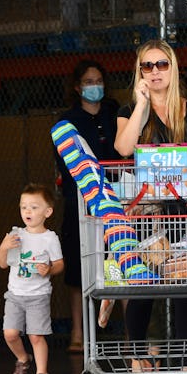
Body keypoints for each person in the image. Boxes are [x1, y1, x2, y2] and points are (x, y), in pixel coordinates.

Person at [115, 39, 187, 374]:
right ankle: (137, 359)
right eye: (148, 66)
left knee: (185, 287)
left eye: (162, 64)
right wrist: (142, 107)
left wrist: (184, 166)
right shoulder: (129, 109)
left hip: (182, 213)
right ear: (139, 72)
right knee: (142, 286)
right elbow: (123, 148)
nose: (155, 72)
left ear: (173, 68)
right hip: (146, 216)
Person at [55, 59, 121, 353]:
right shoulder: (67, 121)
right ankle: (78, 333)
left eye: (98, 81)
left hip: (116, 198)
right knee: (77, 269)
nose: (94, 86)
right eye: (88, 82)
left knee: (119, 259)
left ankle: (123, 329)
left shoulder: (114, 113)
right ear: (77, 86)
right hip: (79, 200)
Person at [0, 183, 64, 374]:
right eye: (24, 206)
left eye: (34, 207)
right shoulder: (15, 235)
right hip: (15, 294)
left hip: (38, 295)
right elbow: (2, 263)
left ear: (47, 212)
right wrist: (3, 247)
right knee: (10, 333)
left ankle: (42, 372)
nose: (28, 211)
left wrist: (49, 270)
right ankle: (23, 359)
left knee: (36, 335)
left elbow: (60, 264)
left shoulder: (49, 238)